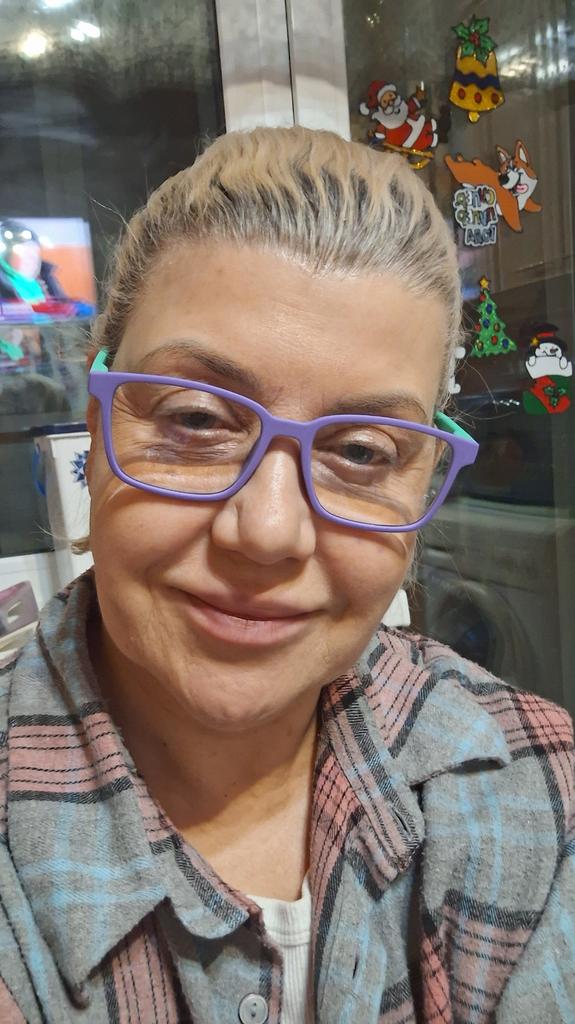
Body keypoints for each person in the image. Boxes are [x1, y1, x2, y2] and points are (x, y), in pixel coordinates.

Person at [0, 127, 573, 1024]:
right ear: (97, 422)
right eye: (195, 419)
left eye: (360, 450)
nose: (267, 532)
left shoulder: (535, 785)